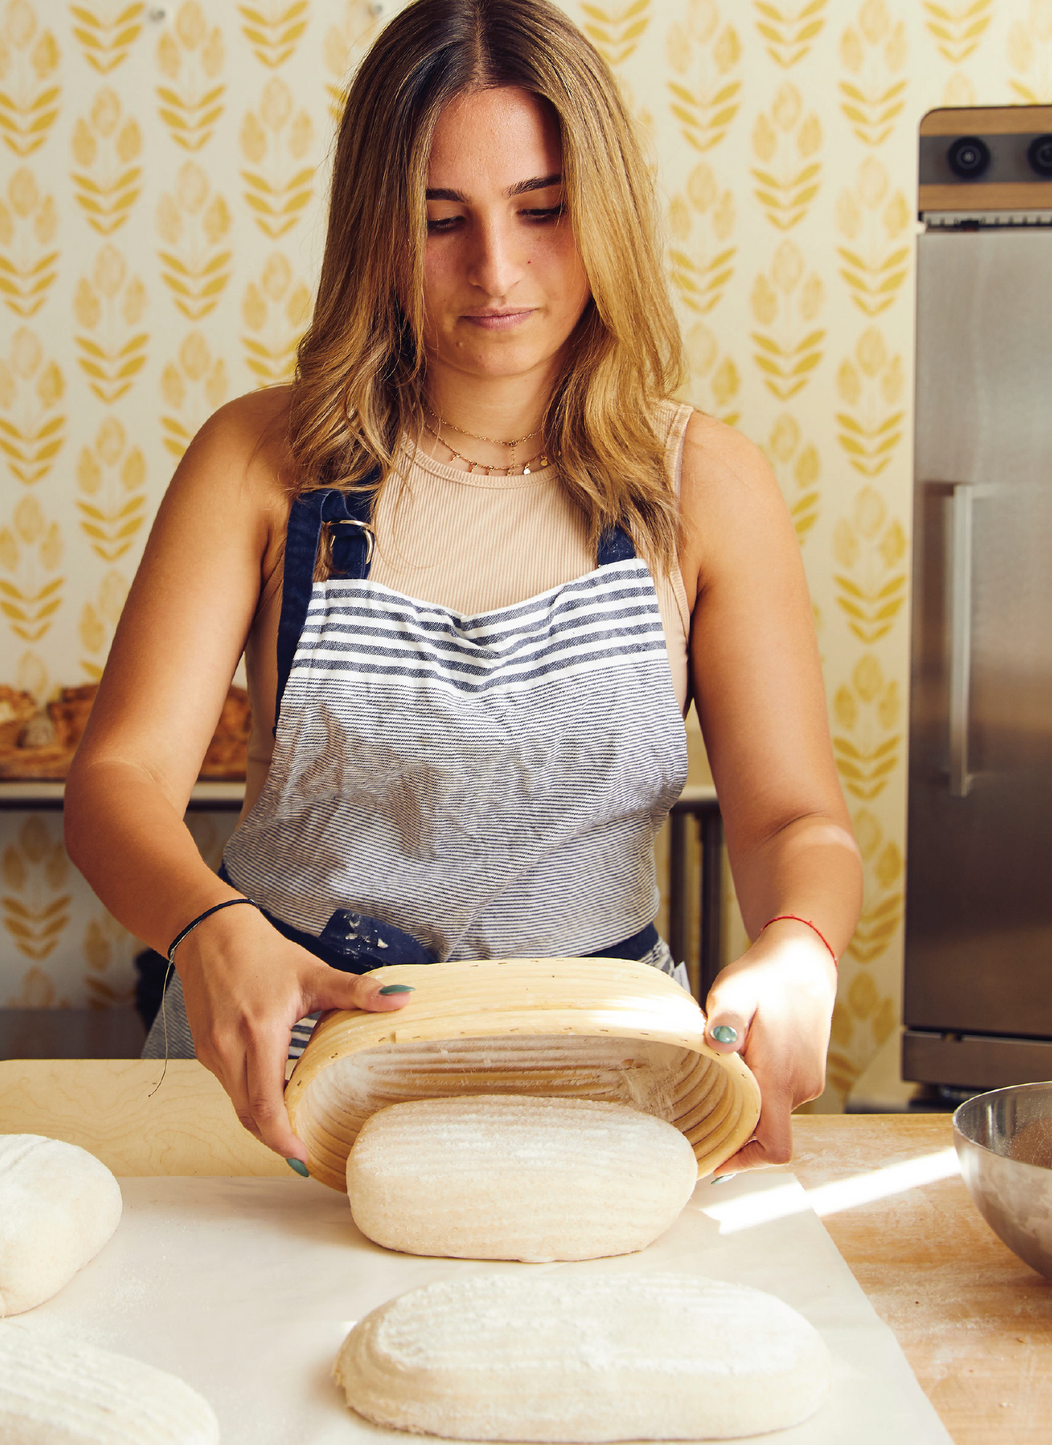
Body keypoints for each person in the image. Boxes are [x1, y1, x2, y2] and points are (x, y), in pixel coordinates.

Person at [63, 0, 861, 1176]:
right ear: (372, 232)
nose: (495, 270)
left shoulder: (704, 487)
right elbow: (115, 784)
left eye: (540, 211)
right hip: (282, 1073)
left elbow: (793, 818)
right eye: (440, 222)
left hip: (596, 1074)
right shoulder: (257, 463)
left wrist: (798, 944)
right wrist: (204, 924)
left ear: (606, 213)